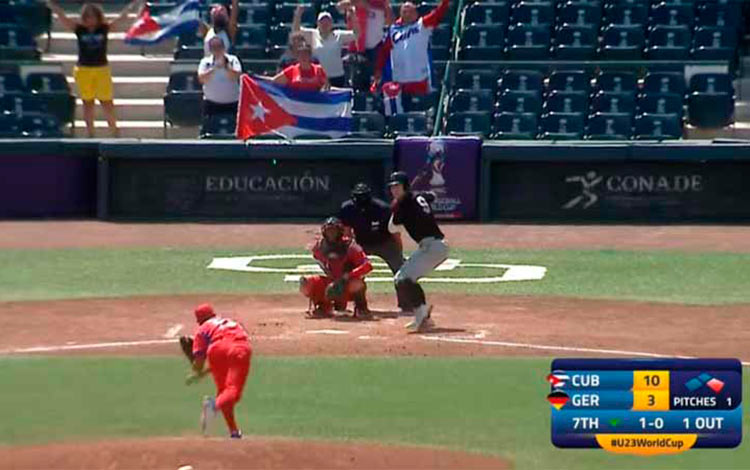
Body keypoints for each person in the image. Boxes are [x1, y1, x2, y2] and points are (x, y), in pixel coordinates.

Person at [46, 0, 142, 138]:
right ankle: (91, 133)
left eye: (93, 17)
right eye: (88, 17)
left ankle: (114, 131)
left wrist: (131, 7)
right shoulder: (79, 30)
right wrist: (52, 6)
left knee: (107, 102)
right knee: (88, 103)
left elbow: (121, 19)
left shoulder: (104, 28)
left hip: (101, 69)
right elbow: (63, 18)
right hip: (83, 70)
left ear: (98, 17)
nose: (91, 20)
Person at [387, 171, 449, 332]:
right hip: (432, 246)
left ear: (405, 186)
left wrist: (395, 208)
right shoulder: (415, 198)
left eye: (398, 186)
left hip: (433, 247)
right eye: (392, 187)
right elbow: (431, 196)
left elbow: (392, 228)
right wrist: (402, 202)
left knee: (403, 279)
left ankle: (422, 316)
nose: (394, 190)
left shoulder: (403, 205)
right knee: (405, 279)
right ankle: (423, 314)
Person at [186, 303, 251, 439]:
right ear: (213, 314)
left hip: (216, 351)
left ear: (199, 319)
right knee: (232, 391)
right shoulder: (231, 323)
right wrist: (199, 373)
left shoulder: (202, 330)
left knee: (224, 392)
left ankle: (234, 431)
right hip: (239, 347)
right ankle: (213, 406)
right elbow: (227, 355)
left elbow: (202, 363)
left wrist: (197, 372)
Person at [338, 183, 406, 309]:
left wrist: (399, 252)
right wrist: (349, 252)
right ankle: (355, 303)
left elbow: (395, 232)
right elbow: (347, 233)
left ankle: (406, 303)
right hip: (362, 243)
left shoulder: (382, 208)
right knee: (348, 269)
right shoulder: (347, 208)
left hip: (385, 242)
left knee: (402, 270)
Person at [372, 0, 450, 96]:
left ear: (416, 14)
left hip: (420, 79)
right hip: (400, 82)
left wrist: (445, 2)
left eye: (410, 11)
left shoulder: (422, 25)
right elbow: (384, 53)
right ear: (400, 14)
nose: (407, 14)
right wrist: (378, 70)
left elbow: (438, 14)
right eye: (404, 11)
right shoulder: (393, 31)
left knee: (420, 106)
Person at [300, 217, 373, 317]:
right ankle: (323, 306)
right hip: (332, 282)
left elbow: (368, 266)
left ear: (340, 232)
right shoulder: (320, 247)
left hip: (348, 283)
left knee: (357, 283)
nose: (331, 234)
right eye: (329, 231)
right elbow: (318, 258)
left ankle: (361, 308)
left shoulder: (351, 246)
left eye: (334, 231)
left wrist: (348, 276)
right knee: (306, 283)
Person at [293, 4, 359, 88]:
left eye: (327, 21)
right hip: (318, 77)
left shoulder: (339, 35)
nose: (325, 24)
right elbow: (296, 30)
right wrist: (298, 14)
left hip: (337, 76)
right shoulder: (312, 34)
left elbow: (356, 34)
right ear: (317, 23)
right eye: (322, 21)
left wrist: (353, 16)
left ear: (331, 23)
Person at [198, 36, 242, 118]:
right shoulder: (205, 62)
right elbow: (201, 79)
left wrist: (226, 67)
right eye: (214, 47)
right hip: (211, 104)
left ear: (224, 48)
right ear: (210, 50)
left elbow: (236, 76)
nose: (217, 50)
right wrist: (213, 68)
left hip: (232, 103)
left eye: (219, 46)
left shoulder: (232, 60)